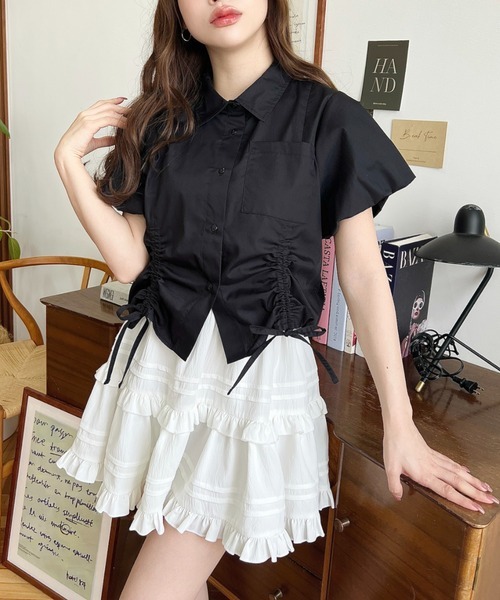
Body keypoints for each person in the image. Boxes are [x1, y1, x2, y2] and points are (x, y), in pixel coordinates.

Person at [54, 1, 497, 598]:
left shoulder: (328, 118)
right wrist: (68, 165)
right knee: (175, 570)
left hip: (251, 389)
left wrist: (402, 425)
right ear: (177, 13)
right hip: (163, 372)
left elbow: (363, 275)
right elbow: (134, 263)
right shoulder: (160, 123)